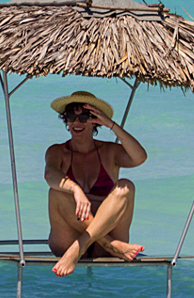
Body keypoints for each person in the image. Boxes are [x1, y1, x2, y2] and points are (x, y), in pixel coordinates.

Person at [44, 91, 148, 277]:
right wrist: (75, 189)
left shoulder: (109, 151)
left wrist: (112, 125)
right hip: (68, 240)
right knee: (57, 191)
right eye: (71, 117)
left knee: (126, 186)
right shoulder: (58, 151)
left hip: (79, 245)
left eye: (84, 116)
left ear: (95, 121)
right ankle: (109, 244)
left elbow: (140, 157)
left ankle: (81, 247)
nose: (77, 122)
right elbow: (50, 174)